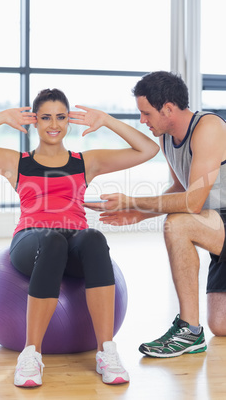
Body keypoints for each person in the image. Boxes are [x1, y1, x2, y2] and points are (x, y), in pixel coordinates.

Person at [0, 88, 159, 386]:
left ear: (68, 122)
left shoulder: (84, 162)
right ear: (35, 121)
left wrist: (107, 120)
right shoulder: (18, 162)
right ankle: (30, 355)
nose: (54, 124)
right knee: (52, 240)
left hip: (74, 244)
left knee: (93, 238)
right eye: (46, 117)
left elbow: (148, 150)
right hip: (31, 241)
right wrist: (1, 118)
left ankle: (107, 352)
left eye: (61, 117)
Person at [85, 71, 226, 358]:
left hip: (217, 218)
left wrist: (133, 200)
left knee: (177, 225)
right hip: (216, 225)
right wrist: (138, 213)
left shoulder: (208, 127)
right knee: (220, 324)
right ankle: (197, 328)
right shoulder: (168, 140)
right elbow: (178, 188)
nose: (143, 120)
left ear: (169, 109)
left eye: (146, 113)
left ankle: (189, 330)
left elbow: (193, 201)